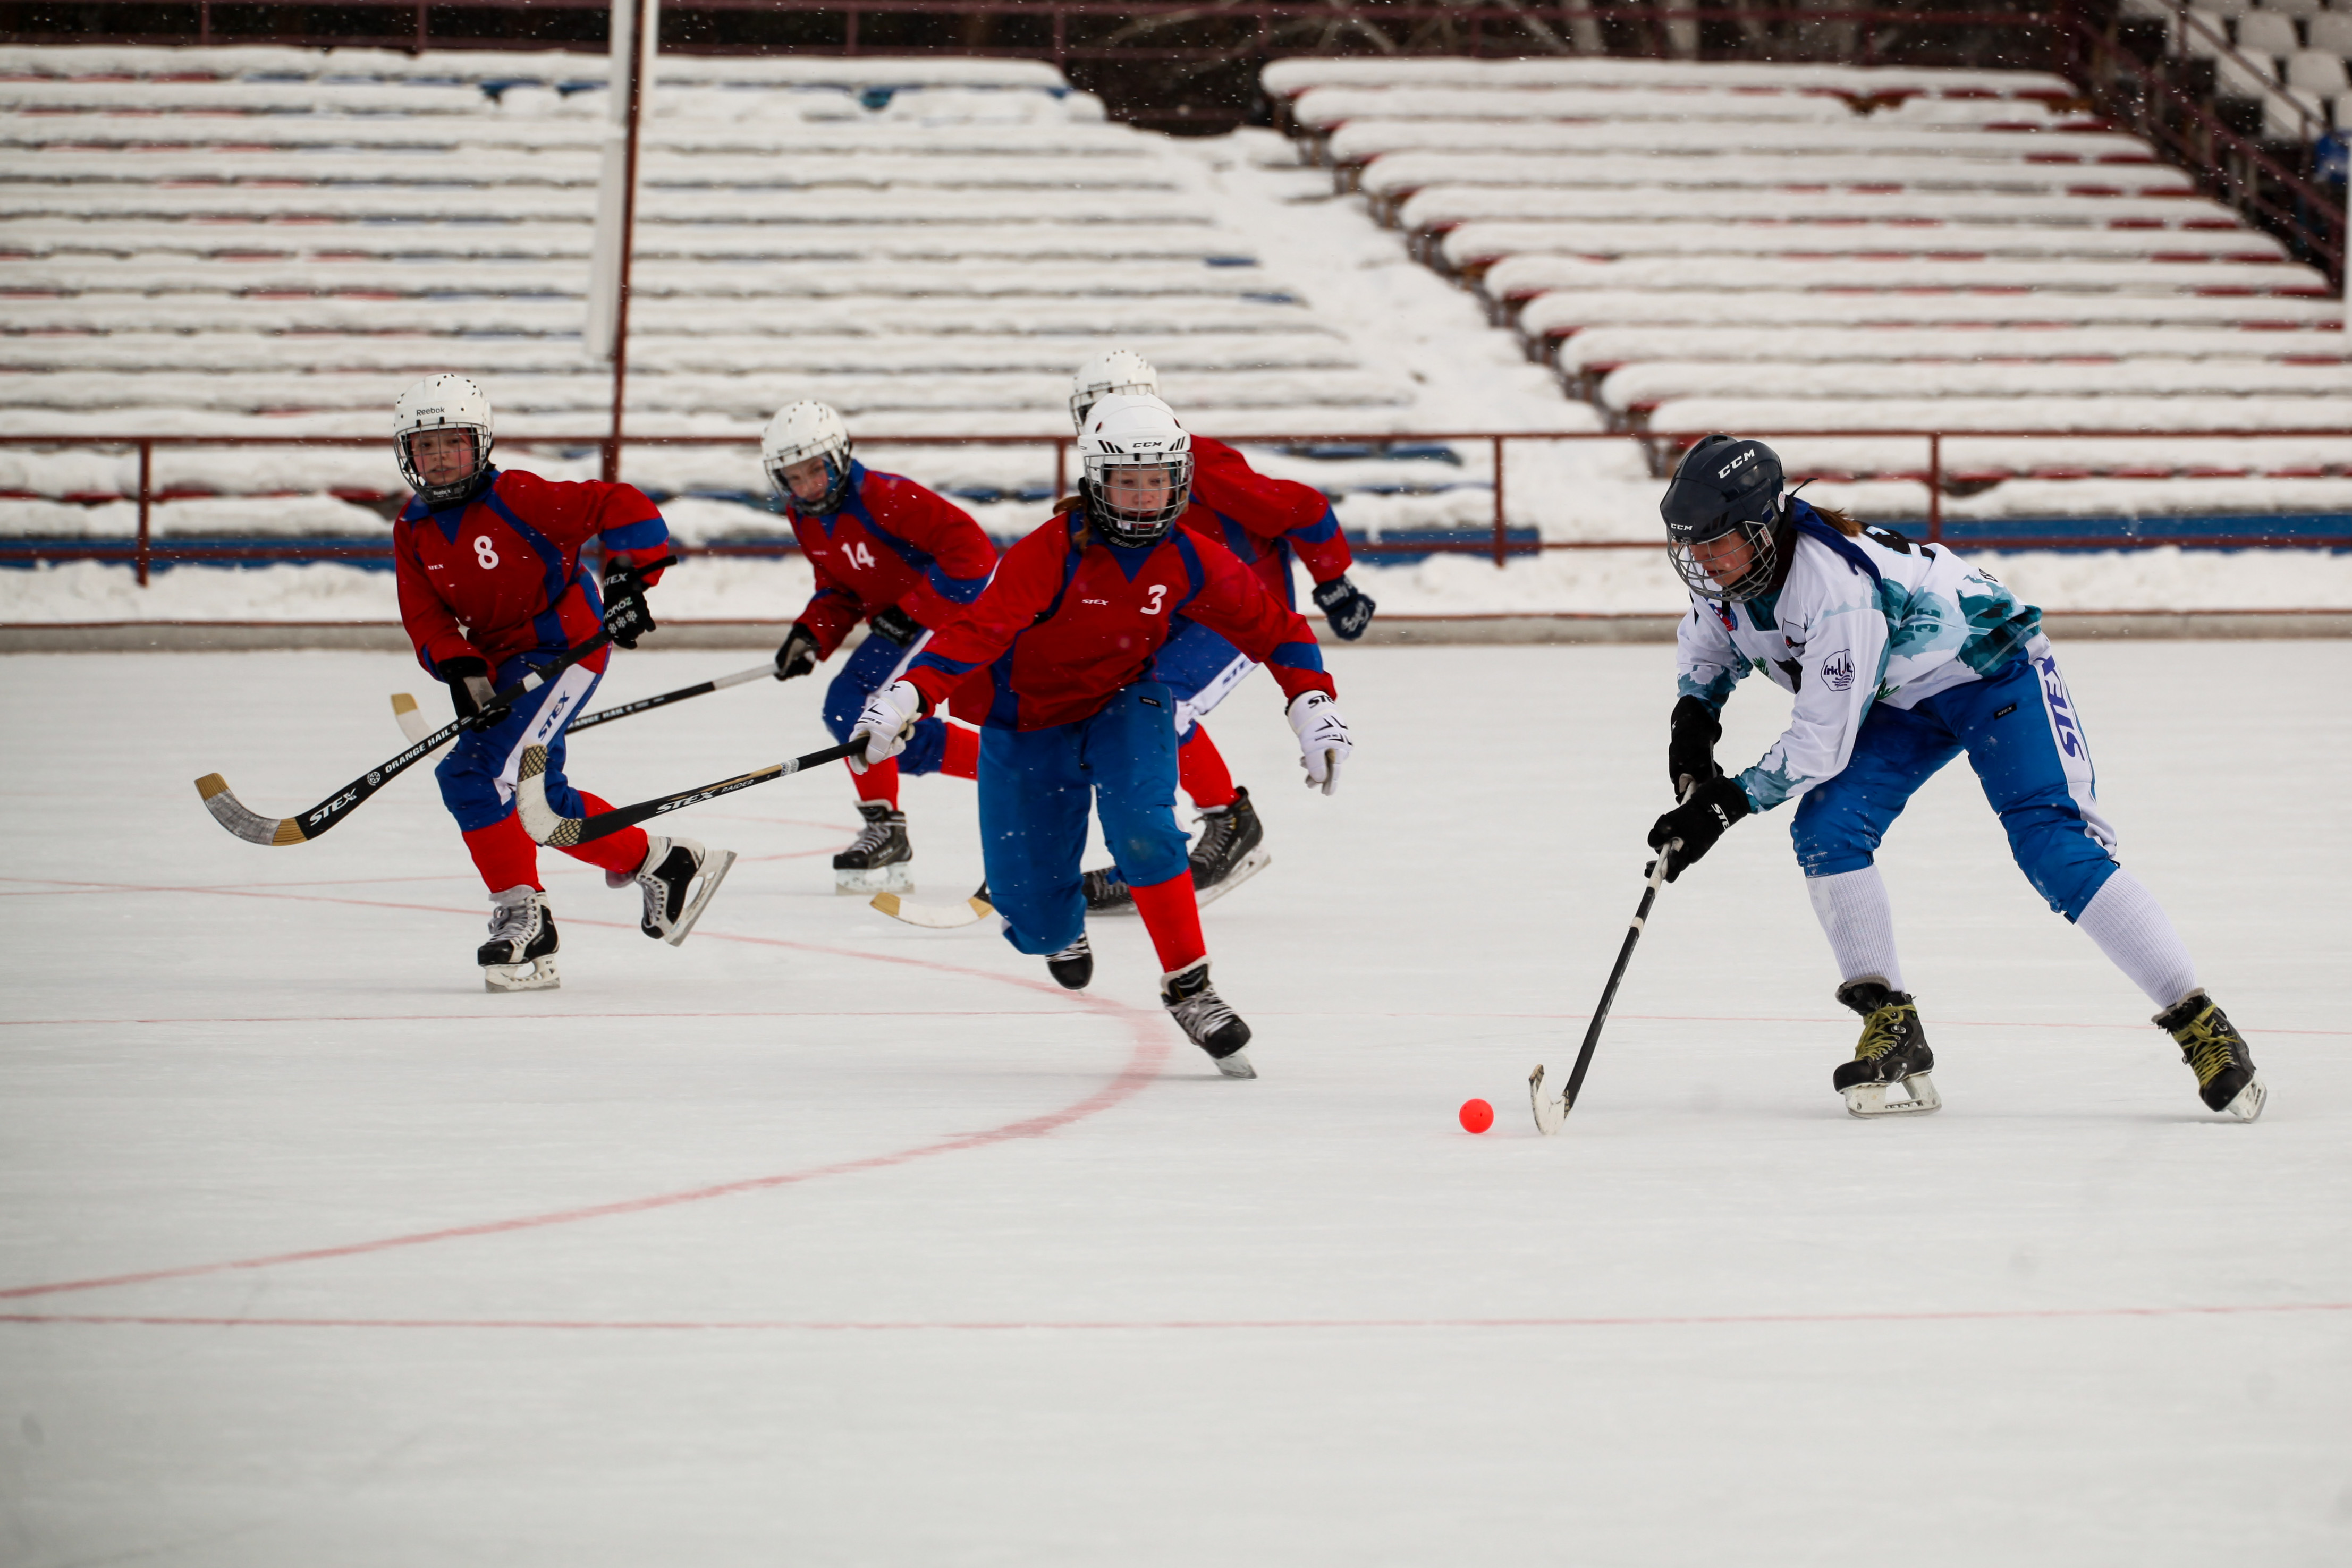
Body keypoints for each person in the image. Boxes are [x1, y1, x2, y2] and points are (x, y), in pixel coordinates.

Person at [1644, 433, 2263, 1121]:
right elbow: (1707, 646)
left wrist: (1721, 807)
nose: (1699, 562)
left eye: (1715, 543)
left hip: (1989, 670)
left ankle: (2196, 1018)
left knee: (2053, 849)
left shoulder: (1832, 590)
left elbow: (1818, 742)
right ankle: (1890, 1020)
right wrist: (1691, 737)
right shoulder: (1733, 575)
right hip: (1901, 697)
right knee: (1826, 829)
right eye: (1689, 547)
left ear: (1763, 530)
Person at [847, 394, 1354, 1078]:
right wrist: (910, 692)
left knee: (1146, 827)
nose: (1145, 499)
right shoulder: (1047, 553)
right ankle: (1056, 926)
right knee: (1034, 919)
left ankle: (1191, 986)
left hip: (1125, 700)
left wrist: (1310, 700)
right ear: (1097, 481)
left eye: (1159, 482)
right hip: (1024, 718)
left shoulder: (1191, 557)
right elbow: (979, 630)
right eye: (1128, 482)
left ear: (1180, 482)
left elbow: (1274, 627)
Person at [391, 374, 732, 991]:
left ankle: (527, 918)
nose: (439, 459)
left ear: (481, 445)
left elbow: (620, 504)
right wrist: (460, 667)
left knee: (471, 775)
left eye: (453, 444)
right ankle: (661, 861)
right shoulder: (411, 529)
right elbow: (426, 616)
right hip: (502, 666)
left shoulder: (519, 496)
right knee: (538, 805)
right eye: (426, 447)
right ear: (407, 455)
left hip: (564, 650)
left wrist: (632, 578)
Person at [1064, 350, 1378, 912]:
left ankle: (1226, 825)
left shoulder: (1197, 464)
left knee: (1159, 706)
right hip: (1184, 609)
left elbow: (1302, 508)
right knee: (1116, 698)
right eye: (1090, 410)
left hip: (1241, 610)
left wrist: (1335, 583)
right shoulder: (1110, 469)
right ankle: (1162, 838)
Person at [761, 401, 998, 894]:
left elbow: (974, 556)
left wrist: (914, 609)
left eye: (815, 471)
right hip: (902, 626)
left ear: (840, 457)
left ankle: (886, 827)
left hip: (950, 616)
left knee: (860, 709)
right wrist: (811, 633)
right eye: (793, 478)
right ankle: (1017, 768)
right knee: (886, 737)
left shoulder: (888, 497)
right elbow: (839, 587)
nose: (806, 486)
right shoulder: (802, 515)